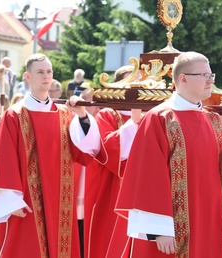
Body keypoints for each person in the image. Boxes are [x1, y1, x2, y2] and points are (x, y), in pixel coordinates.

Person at [115, 52, 222, 257]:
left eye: (211, 75)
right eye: (204, 75)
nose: (211, 81)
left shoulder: (214, 120)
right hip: (173, 225)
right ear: (183, 79)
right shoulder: (159, 118)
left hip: (211, 219)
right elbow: (148, 175)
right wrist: (159, 229)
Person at [0, 53, 103, 257]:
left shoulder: (65, 114)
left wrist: (83, 117)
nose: (46, 76)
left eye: (49, 71)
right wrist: (11, 199)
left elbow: (85, 152)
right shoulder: (15, 114)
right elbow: (4, 159)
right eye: (40, 72)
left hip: (61, 197)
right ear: (28, 76)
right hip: (27, 198)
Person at [86, 67, 142, 258]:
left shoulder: (153, 114)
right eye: (132, 85)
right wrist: (134, 124)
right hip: (114, 189)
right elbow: (107, 148)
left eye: (141, 85)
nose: (138, 90)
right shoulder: (109, 114)